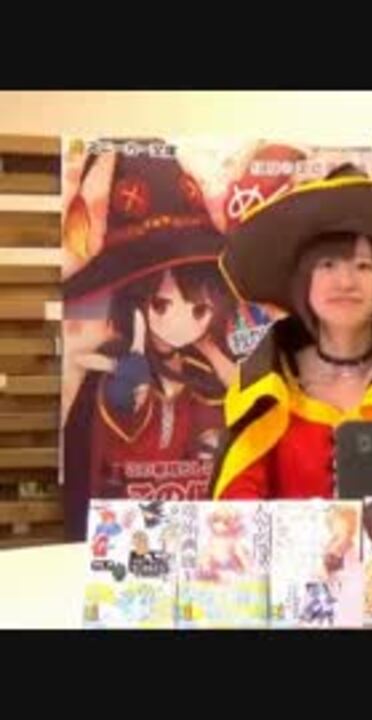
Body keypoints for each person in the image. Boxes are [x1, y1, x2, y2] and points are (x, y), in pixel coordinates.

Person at [211, 166, 372, 500]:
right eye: (328, 265)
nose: (345, 282)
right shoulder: (264, 386)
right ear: (304, 281)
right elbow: (235, 511)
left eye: (364, 266)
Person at [62, 149, 238, 541]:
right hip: (123, 533)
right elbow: (93, 457)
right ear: (136, 302)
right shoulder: (116, 373)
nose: (179, 322)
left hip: (199, 533)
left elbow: (236, 410)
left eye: (199, 310)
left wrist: (210, 350)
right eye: (161, 305)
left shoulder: (203, 376)